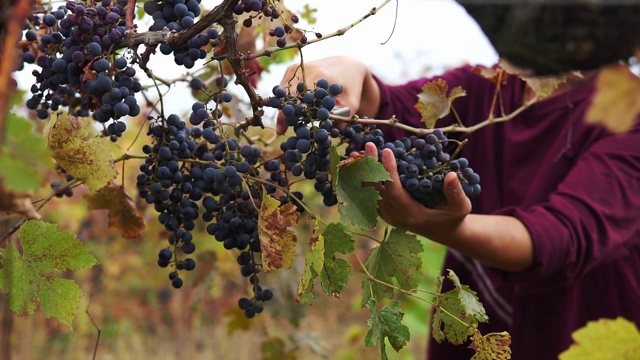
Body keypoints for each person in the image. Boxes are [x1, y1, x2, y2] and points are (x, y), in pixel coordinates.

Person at [277, 56, 640, 359]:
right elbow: (388, 112)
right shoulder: (490, 85)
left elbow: (558, 236)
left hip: (580, 334)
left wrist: (445, 228)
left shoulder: (632, 115)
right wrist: (348, 72)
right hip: (475, 336)